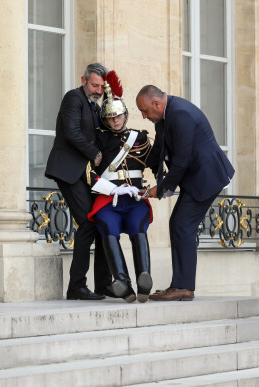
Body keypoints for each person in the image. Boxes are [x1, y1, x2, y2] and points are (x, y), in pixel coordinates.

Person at [136, 85, 234, 301]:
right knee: (179, 224)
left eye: (144, 111)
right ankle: (180, 284)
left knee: (182, 225)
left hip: (206, 177)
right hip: (195, 176)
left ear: (156, 103)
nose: (144, 117)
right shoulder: (163, 116)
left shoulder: (180, 114)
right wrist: (135, 164)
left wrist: (160, 189)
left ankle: (184, 287)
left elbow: (182, 161)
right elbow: (159, 151)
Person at [45, 63, 113, 300]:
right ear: (83, 80)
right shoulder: (73, 98)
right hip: (69, 170)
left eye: (101, 87)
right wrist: (94, 153)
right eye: (94, 85)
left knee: (103, 221)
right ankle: (76, 286)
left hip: (85, 174)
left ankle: (104, 284)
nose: (97, 90)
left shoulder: (95, 105)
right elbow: (72, 132)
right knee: (88, 223)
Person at [85, 71, 154, 303]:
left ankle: (144, 276)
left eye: (119, 116)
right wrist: (113, 189)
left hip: (134, 198)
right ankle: (122, 282)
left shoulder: (140, 138)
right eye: (111, 118)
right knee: (109, 227)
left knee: (137, 226)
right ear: (105, 120)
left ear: (125, 114)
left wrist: (163, 184)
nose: (116, 121)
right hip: (109, 199)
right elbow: (89, 173)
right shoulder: (98, 139)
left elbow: (156, 164)